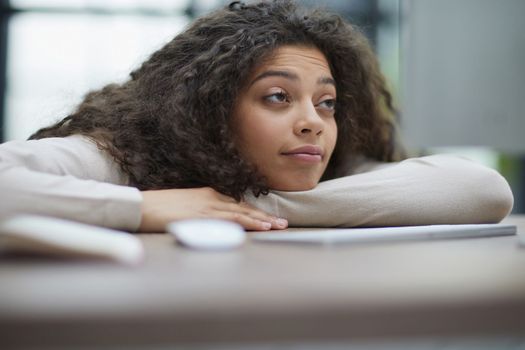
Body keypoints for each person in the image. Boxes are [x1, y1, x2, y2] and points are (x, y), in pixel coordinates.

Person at [0, 0, 514, 232]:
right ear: (208, 108)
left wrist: (238, 206)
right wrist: (144, 209)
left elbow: (481, 189)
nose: (313, 120)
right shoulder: (119, 158)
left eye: (327, 102)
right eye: (277, 97)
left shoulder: (316, 168)